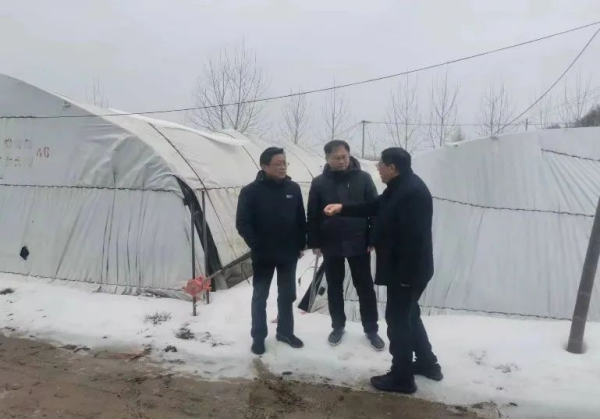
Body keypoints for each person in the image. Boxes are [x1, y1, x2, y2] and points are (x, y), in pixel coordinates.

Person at [323, 147, 442, 394]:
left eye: (381, 164)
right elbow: (374, 206)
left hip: (407, 271)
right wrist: (342, 208)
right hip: (405, 269)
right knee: (409, 315)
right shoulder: (398, 187)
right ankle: (428, 364)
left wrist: (405, 278)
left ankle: (402, 378)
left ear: (392, 168)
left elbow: (414, 240)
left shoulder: (411, 193)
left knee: (398, 321)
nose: (378, 168)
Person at [307, 140, 384, 350]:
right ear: (327, 159)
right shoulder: (320, 182)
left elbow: (375, 210)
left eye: (344, 157)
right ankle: (338, 326)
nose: (341, 161)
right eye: (336, 158)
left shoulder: (363, 178)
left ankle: (371, 329)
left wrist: (373, 238)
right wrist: (314, 241)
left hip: (359, 241)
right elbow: (312, 215)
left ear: (349, 156)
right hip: (331, 241)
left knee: (364, 286)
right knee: (334, 286)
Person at [236, 147, 306, 355]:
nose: (282, 167)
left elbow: (300, 219)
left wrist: (300, 244)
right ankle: (258, 337)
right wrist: (256, 244)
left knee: (287, 295)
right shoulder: (250, 192)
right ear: (265, 166)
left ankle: (285, 332)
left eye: (284, 163)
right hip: (263, 254)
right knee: (260, 296)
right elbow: (243, 223)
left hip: (288, 254)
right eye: (277, 164)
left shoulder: (293, 189)